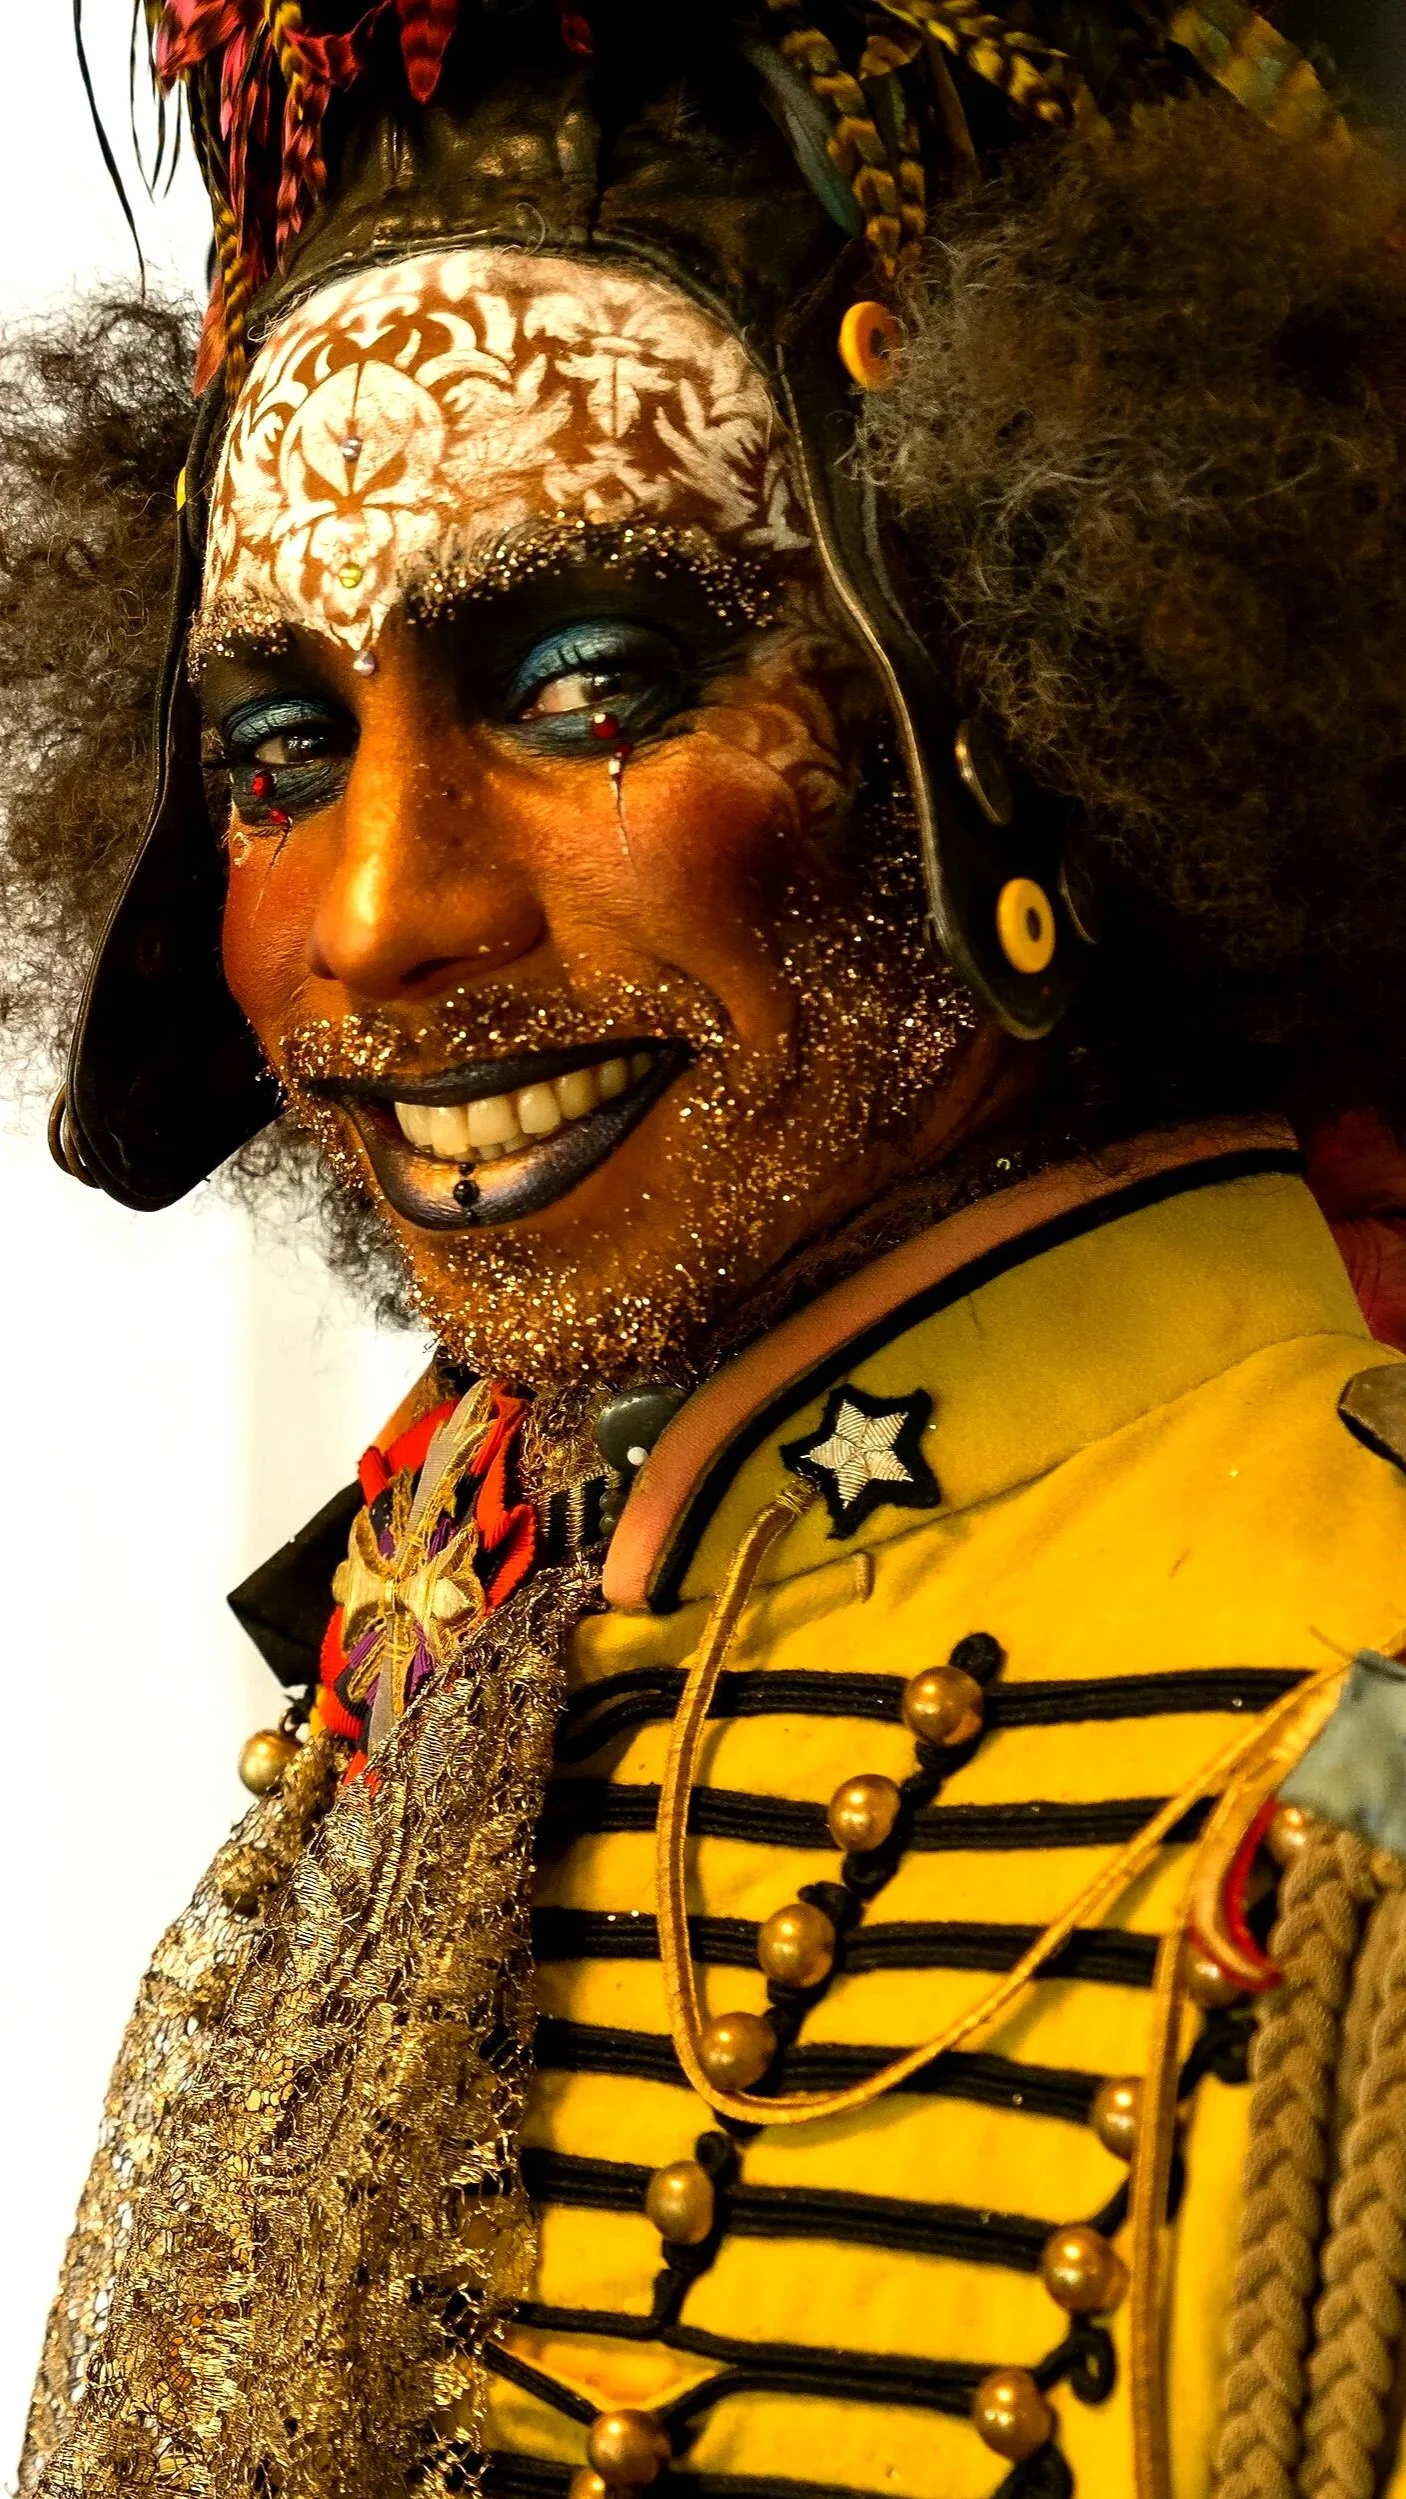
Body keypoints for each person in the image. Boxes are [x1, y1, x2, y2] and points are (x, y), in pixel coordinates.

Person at [9, 3, 1406, 2494]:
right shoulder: (463, 1619)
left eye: (587, 687)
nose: (377, 917)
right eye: (280, 753)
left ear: (1030, 693)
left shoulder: (1348, 1750)